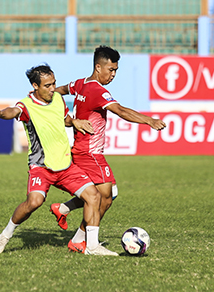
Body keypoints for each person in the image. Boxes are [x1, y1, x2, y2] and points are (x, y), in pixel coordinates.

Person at [0, 63, 118, 256]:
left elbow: (64, 118)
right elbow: (12, 111)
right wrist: (0, 114)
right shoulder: (26, 105)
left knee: (94, 196)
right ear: (35, 86)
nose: (52, 89)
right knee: (34, 202)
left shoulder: (57, 99)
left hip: (65, 166)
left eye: (53, 83)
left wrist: (74, 122)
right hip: (41, 166)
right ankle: (6, 235)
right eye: (47, 85)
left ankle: (91, 246)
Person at [50, 45, 166, 253]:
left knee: (99, 194)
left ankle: (66, 213)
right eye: (110, 70)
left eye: (116, 71)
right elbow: (120, 110)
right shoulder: (97, 90)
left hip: (82, 151)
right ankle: (84, 242)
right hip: (90, 153)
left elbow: (56, 93)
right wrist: (149, 120)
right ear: (98, 67)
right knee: (106, 195)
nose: (113, 75)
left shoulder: (80, 83)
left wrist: (69, 116)